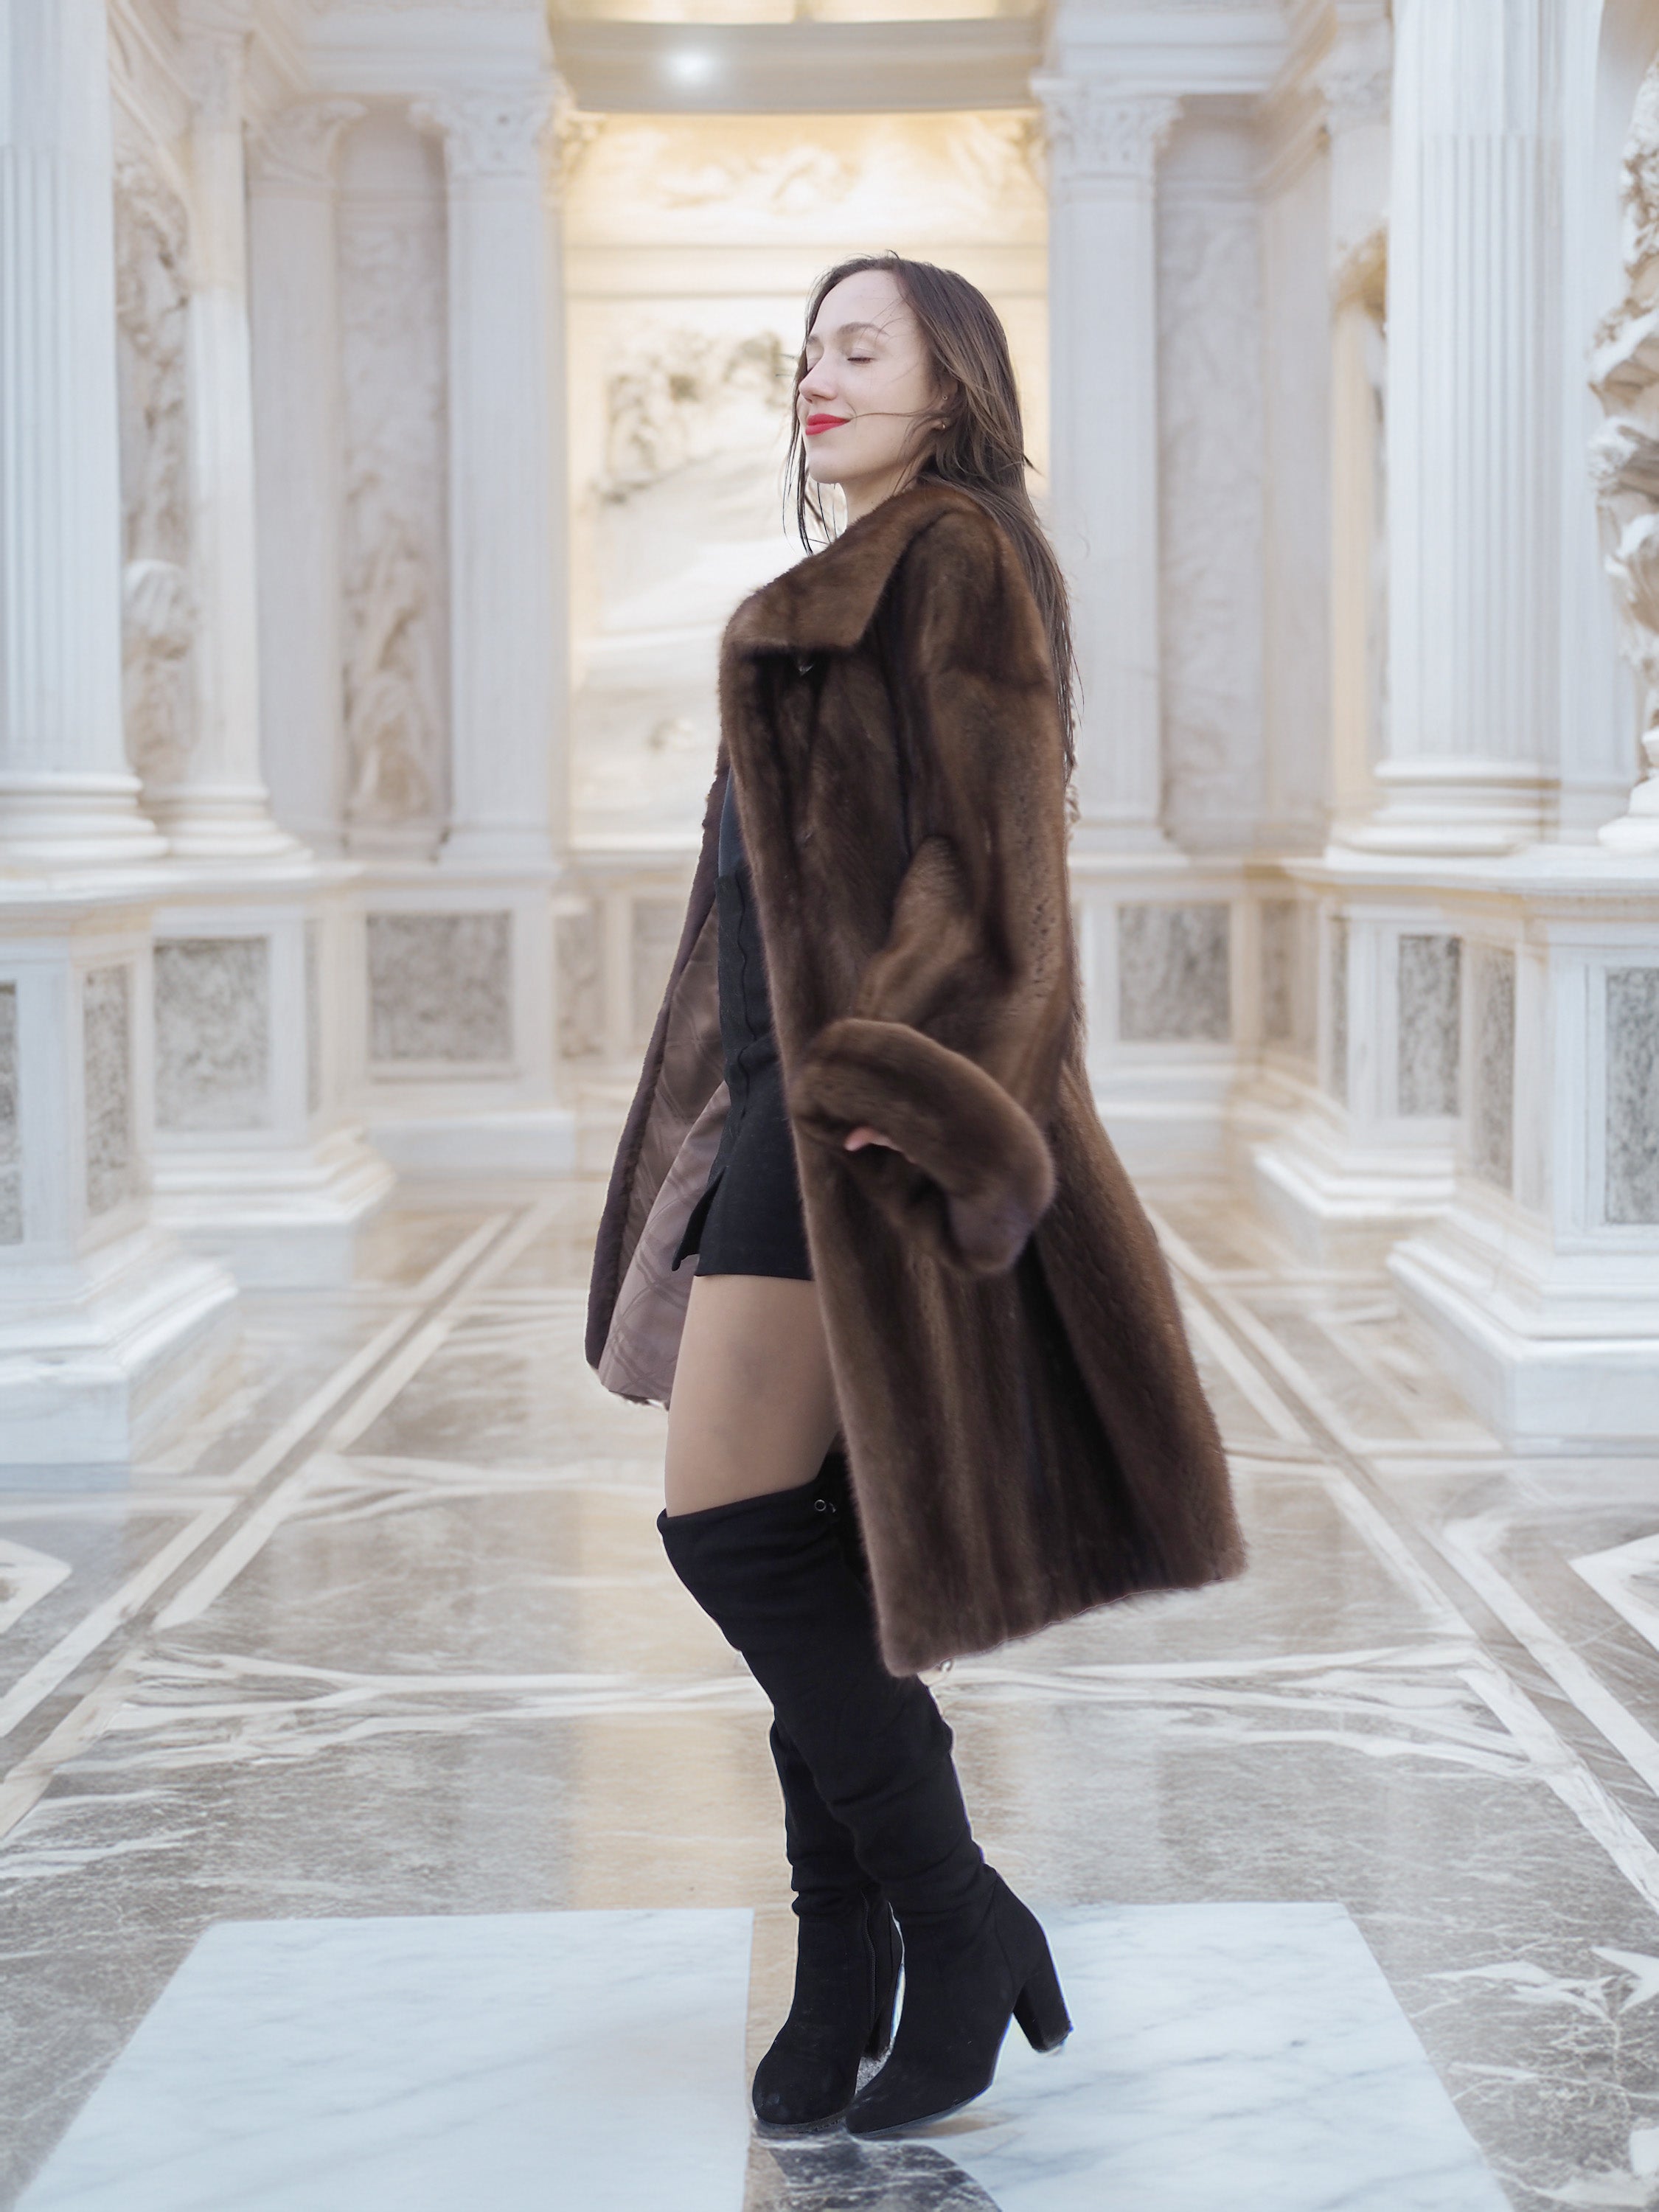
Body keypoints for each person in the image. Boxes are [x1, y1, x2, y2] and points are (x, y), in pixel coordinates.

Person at [587, 254, 1245, 2137]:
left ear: (948, 383)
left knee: (727, 1528)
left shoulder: (948, 560)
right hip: (773, 1110)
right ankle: (847, 1952)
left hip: (850, 1118)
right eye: (807, 349)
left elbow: (996, 871)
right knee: (814, 1550)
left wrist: (891, 1086)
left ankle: (959, 1920)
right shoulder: (849, 577)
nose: (818, 373)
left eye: (858, 346)